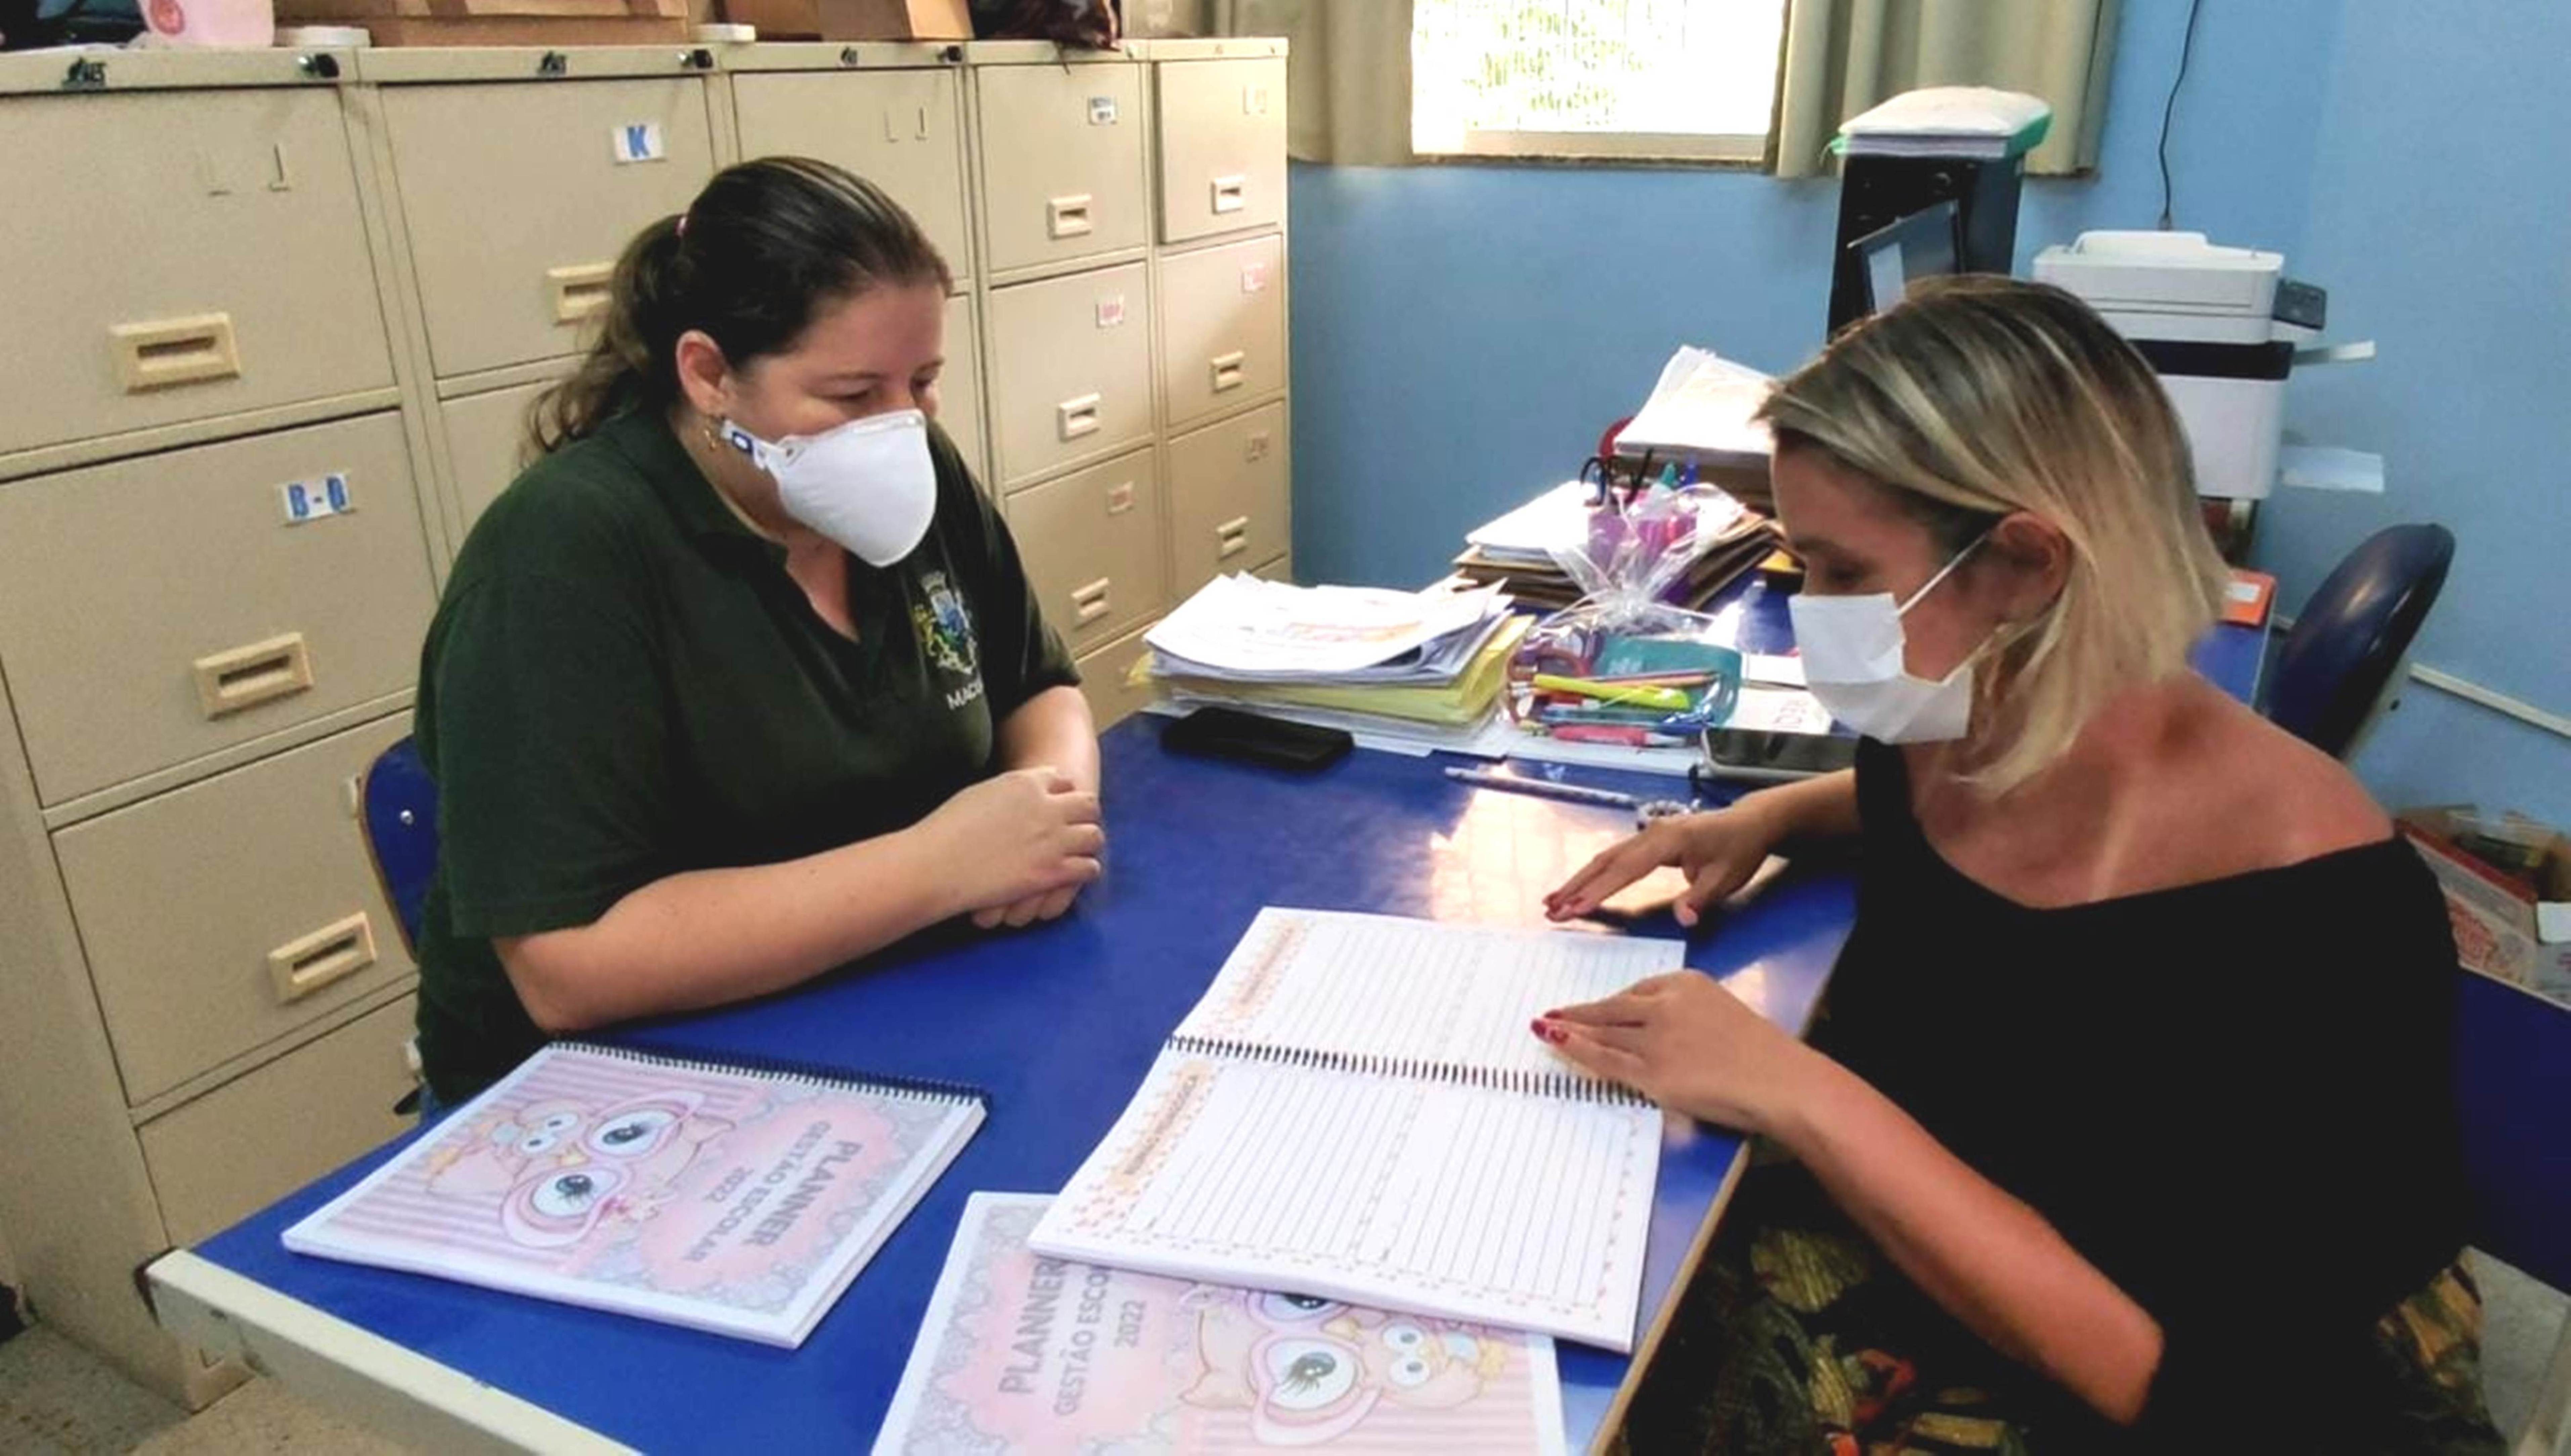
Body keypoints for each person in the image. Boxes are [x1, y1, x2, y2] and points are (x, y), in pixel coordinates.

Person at [1539, 278, 2497, 1452]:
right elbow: (1927, 818)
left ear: (2027, 564)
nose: (1811, 609)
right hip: (1971, 1201)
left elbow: (2202, 1388)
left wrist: (1802, 1091)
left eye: (1842, 572)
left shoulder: (2316, 916)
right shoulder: (1965, 714)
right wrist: (1773, 818)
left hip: (2191, 1376)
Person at [412, 158, 1102, 1104]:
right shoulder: (564, 553)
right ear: (708, 375)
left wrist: (1050, 819)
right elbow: (568, 968)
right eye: (852, 396)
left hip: (893, 1006)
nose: (900, 425)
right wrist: (941, 867)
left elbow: (1037, 685)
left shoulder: (913, 474)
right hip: (618, 1093)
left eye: (923, 381)